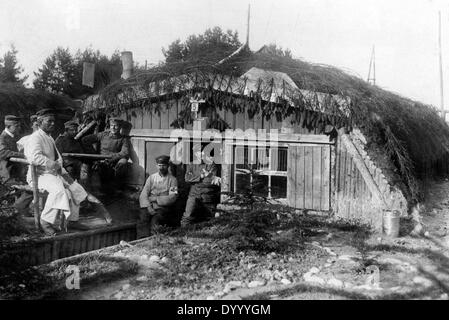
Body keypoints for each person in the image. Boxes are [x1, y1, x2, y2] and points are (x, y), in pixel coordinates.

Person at [24, 109, 90, 236]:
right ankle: (45, 221)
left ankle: (73, 220)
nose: (53, 124)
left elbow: (58, 160)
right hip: (39, 175)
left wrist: (65, 175)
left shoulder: (50, 138)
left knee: (76, 189)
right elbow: (34, 157)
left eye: (54, 121)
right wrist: (53, 165)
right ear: (40, 122)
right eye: (49, 121)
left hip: (52, 174)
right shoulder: (35, 138)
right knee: (60, 191)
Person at [81, 117, 130, 193]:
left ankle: (117, 187)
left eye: (116, 126)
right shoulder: (103, 135)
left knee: (123, 162)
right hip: (101, 160)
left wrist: (112, 158)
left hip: (115, 160)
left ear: (120, 127)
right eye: (111, 125)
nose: (113, 128)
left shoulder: (123, 139)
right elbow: (85, 140)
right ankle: (102, 189)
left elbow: (125, 152)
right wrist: (94, 154)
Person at [180, 144, 221, 227]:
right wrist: (201, 176)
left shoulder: (211, 164)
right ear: (195, 154)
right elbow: (187, 178)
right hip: (194, 195)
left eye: (204, 153)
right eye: (199, 153)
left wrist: (196, 178)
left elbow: (210, 181)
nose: (202, 155)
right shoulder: (191, 164)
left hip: (208, 196)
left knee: (210, 219)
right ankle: (182, 235)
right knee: (187, 217)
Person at [0, 115, 33, 215]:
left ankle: (20, 211)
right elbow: (3, 152)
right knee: (30, 190)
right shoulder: (3, 137)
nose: (19, 128)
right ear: (9, 126)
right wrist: (22, 155)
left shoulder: (14, 136)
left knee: (31, 188)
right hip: (6, 173)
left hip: (16, 172)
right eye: (17, 126)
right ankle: (15, 211)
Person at [138, 155, 178, 236]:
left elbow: (173, 197)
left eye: (164, 165)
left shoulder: (173, 180)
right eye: (159, 165)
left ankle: (154, 240)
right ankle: (141, 241)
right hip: (149, 205)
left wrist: (156, 199)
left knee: (155, 221)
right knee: (143, 219)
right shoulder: (151, 178)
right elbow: (144, 194)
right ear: (157, 166)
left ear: (168, 166)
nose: (161, 168)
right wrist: (149, 207)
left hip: (162, 207)